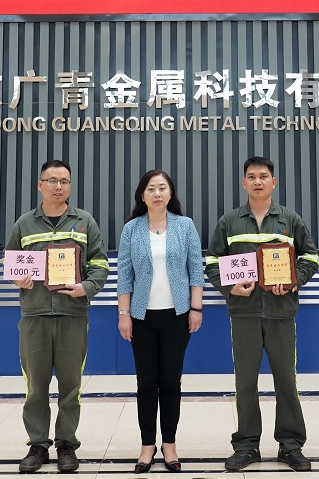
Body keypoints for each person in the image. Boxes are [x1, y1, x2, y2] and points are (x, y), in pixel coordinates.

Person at [204, 156, 319, 472]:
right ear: (244, 183)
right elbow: (213, 262)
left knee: (286, 381)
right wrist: (230, 288)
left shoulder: (290, 220)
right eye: (252, 177)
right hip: (243, 313)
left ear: (273, 182)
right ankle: (246, 445)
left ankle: (290, 445)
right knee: (245, 381)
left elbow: (311, 256)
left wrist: (294, 279)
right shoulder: (229, 222)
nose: (258, 181)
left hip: (281, 313)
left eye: (264, 176)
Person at [7, 160, 109, 474]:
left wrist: (86, 288)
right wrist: (18, 278)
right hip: (35, 315)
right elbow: (12, 262)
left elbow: (100, 264)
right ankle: (38, 445)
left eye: (64, 181)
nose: (58, 186)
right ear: (40, 185)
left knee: (71, 386)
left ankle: (67, 445)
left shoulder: (84, 221)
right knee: (36, 388)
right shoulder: (25, 224)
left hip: (72, 315)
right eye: (52, 180)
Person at [116, 169, 206, 473]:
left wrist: (196, 308)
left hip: (177, 315)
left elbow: (196, 269)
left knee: (170, 382)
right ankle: (147, 446)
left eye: (162, 188)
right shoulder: (131, 229)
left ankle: (169, 444)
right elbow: (124, 275)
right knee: (146, 384)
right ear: (142, 195)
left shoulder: (185, 225)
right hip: (140, 317)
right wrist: (124, 315)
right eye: (151, 189)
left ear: (170, 194)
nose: (157, 193)